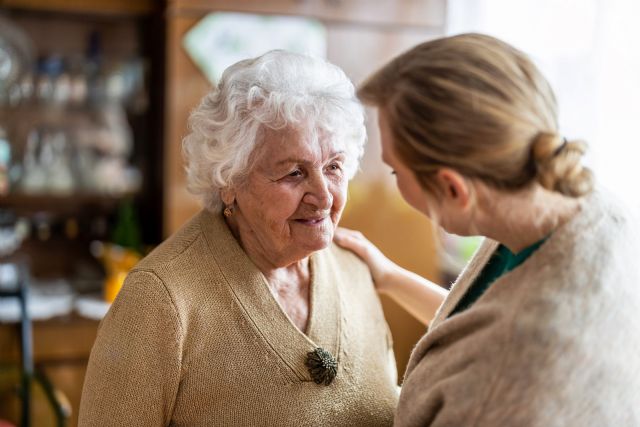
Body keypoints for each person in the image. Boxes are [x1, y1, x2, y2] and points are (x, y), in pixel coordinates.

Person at [79, 50, 399, 426]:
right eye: (294, 173)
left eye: (333, 167)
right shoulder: (160, 301)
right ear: (229, 181)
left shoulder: (355, 270)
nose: (324, 196)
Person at [335, 33, 640, 426]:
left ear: (452, 188)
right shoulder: (574, 201)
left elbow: (498, 351)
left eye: (395, 170)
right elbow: (477, 327)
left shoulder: (512, 377)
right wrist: (389, 277)